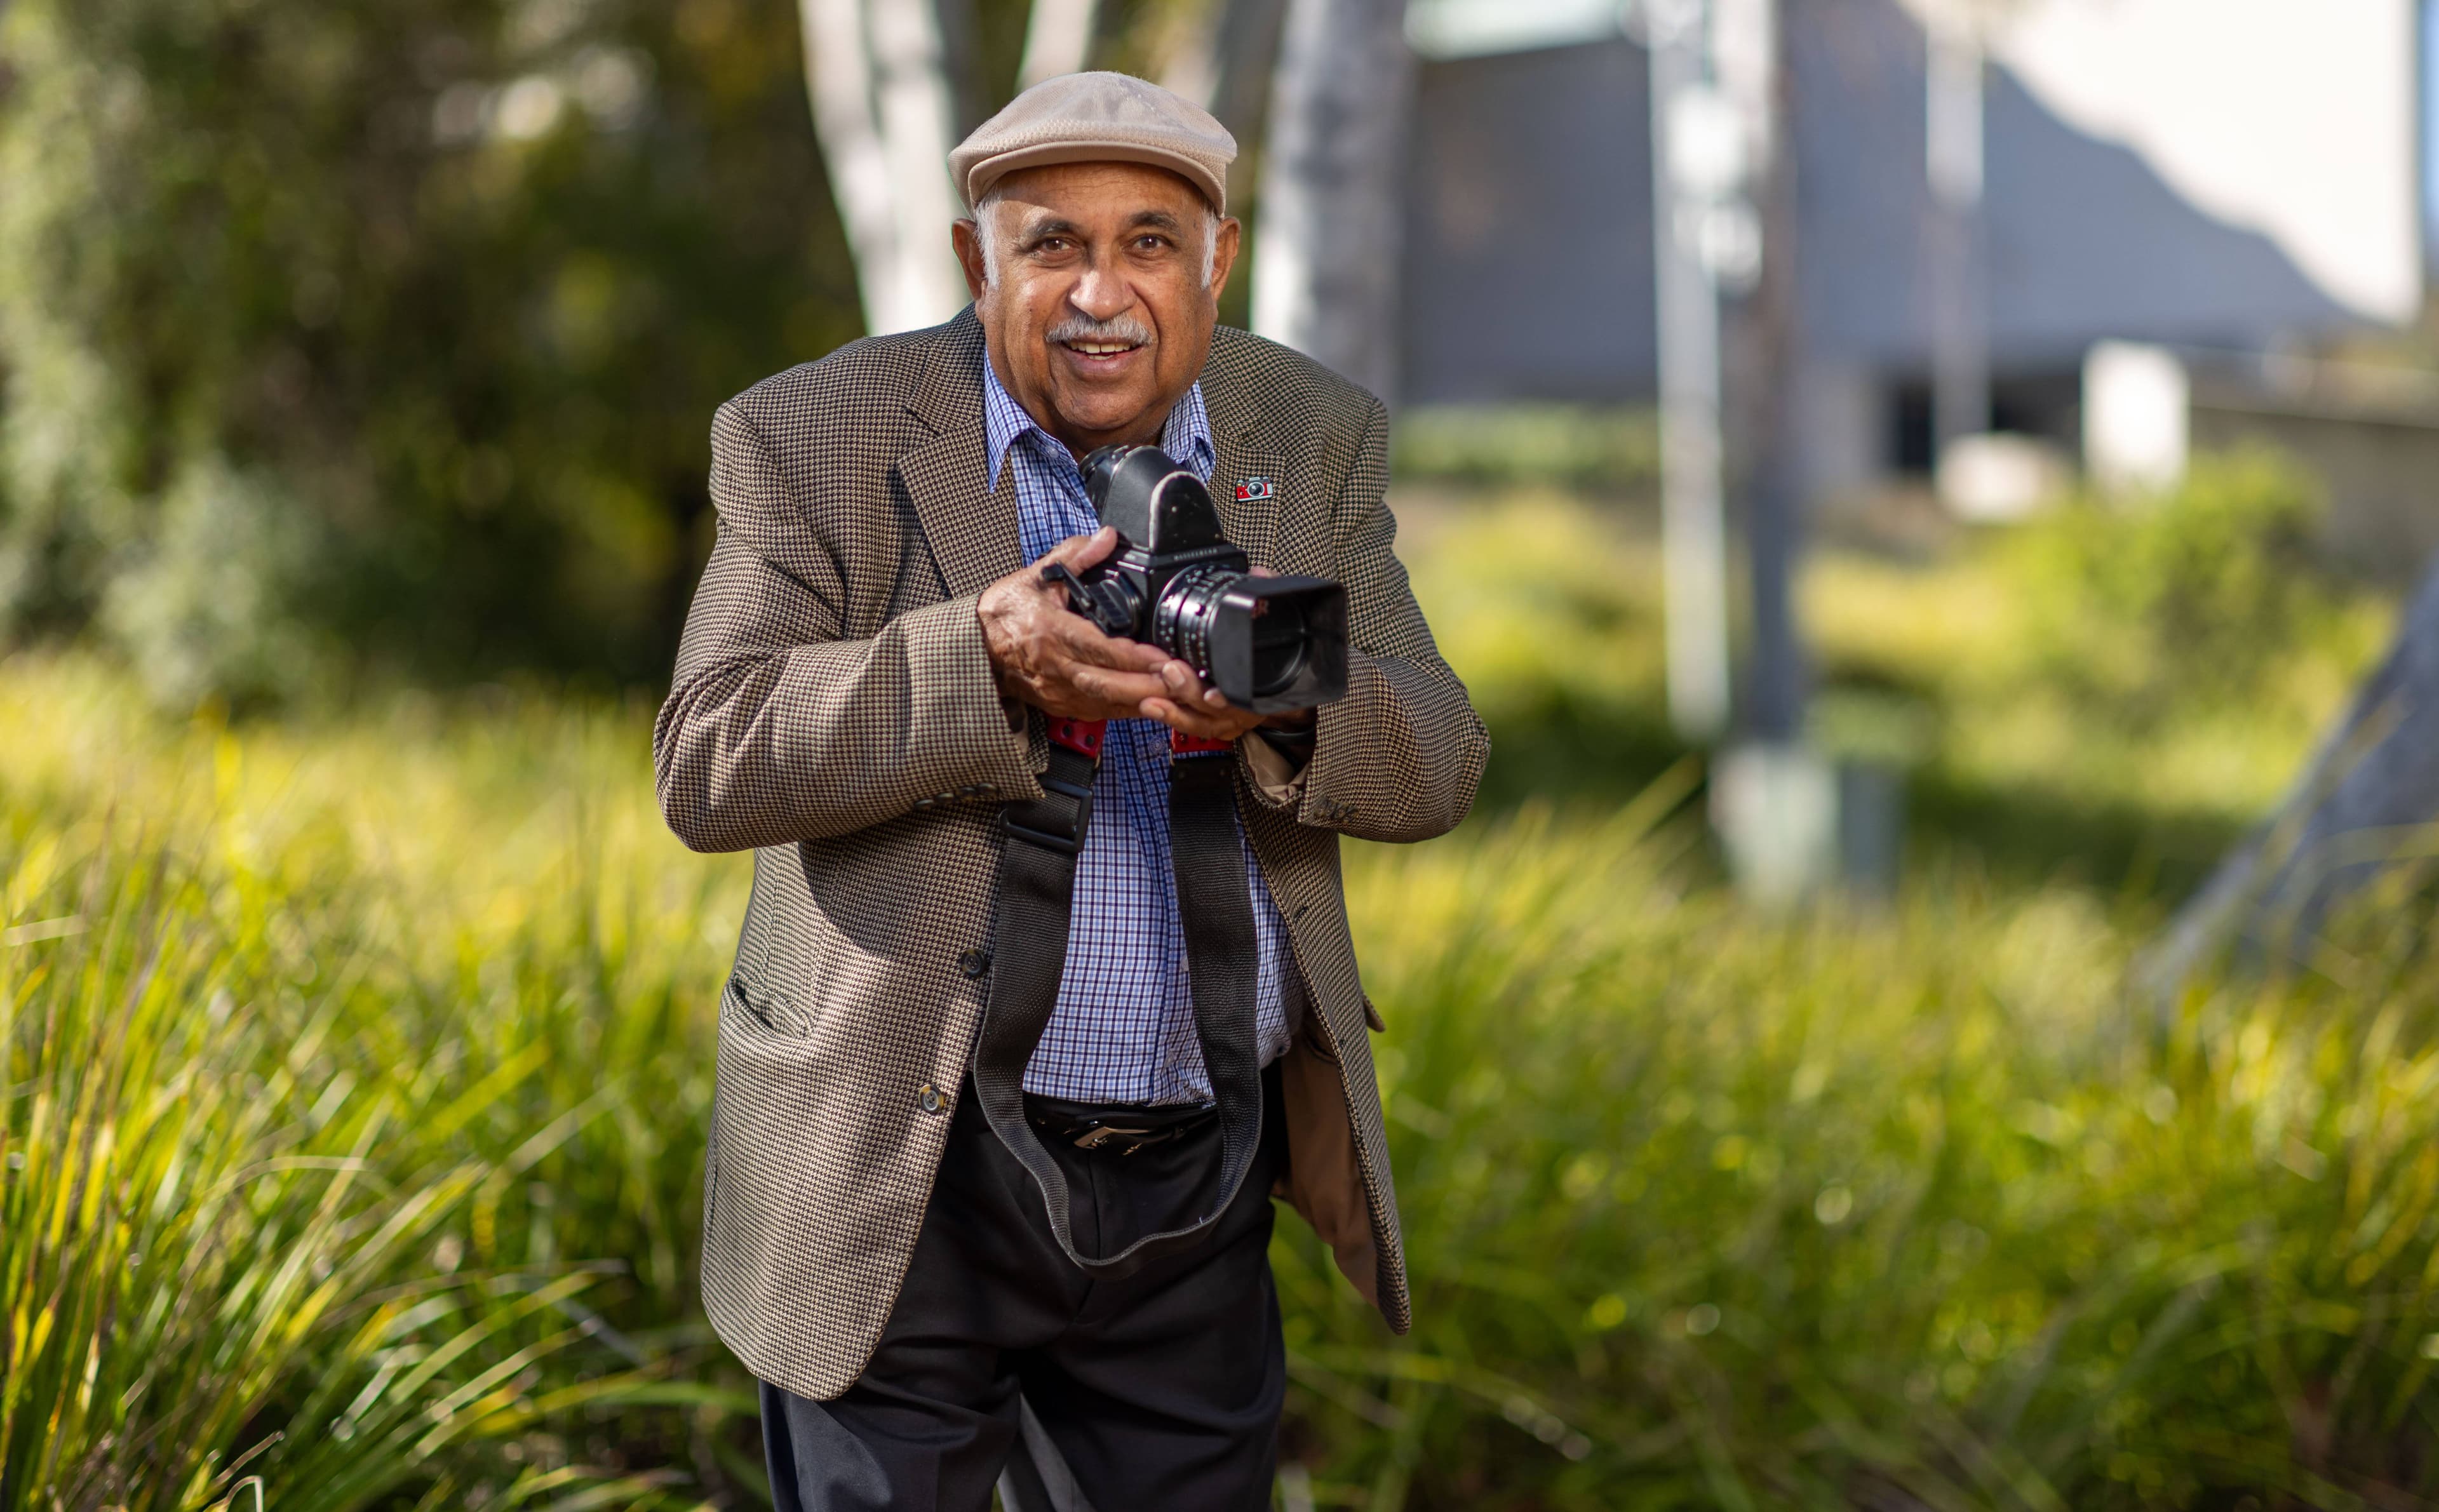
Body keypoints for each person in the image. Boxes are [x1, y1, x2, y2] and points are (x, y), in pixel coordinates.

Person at [654, 70, 1486, 1512]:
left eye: (1150, 243)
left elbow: (1440, 755)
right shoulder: (815, 431)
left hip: (1195, 1185)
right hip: (900, 1175)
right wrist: (982, 658)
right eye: (1053, 246)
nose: (1104, 294)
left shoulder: (1308, 431)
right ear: (979, 262)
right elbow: (711, 753)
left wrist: (1287, 704)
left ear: (1216, 261)